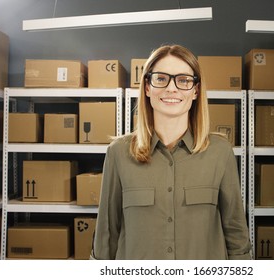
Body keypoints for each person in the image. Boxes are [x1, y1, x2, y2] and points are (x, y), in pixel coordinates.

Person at [92, 44, 251, 260]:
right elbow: (106, 236)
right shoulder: (118, 154)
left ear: (195, 90)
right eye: (161, 78)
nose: (172, 88)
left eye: (183, 80)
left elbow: (236, 236)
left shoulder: (220, 152)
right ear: (147, 87)